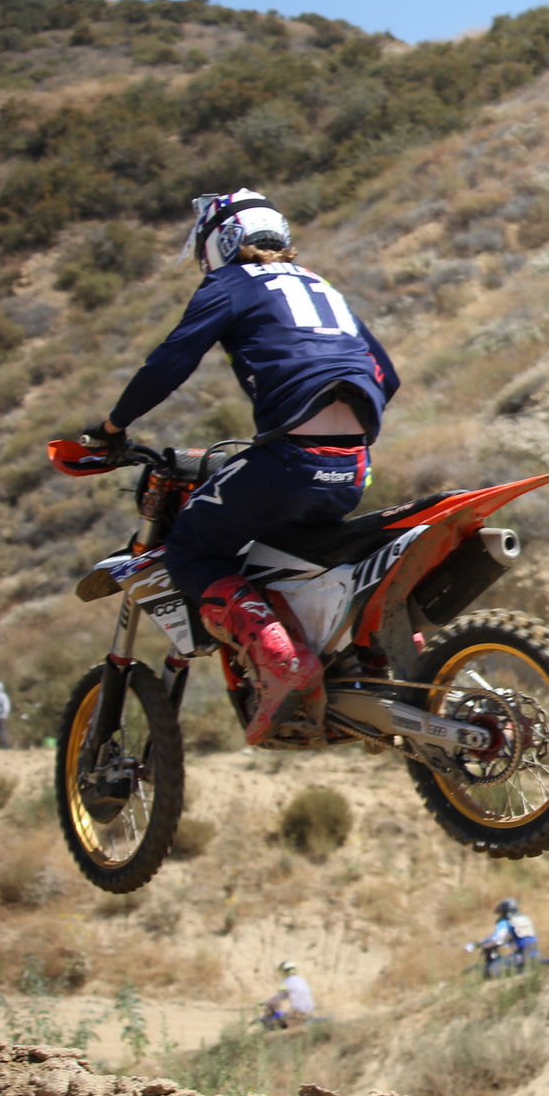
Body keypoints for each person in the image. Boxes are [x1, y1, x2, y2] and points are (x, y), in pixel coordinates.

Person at [81, 190, 400, 746]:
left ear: (219, 243)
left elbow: (172, 360)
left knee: (190, 549)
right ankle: (347, 661)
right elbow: (386, 375)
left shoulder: (231, 282)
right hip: (352, 468)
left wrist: (112, 428)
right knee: (286, 555)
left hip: (289, 460)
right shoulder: (321, 285)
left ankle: (280, 661)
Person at [470, 898, 539, 977]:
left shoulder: (506, 921)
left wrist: (479, 944)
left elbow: (497, 938)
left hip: (520, 956)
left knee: (491, 968)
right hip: (535, 955)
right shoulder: (525, 919)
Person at [260, 960, 315, 1029]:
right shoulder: (301, 980)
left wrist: (268, 1002)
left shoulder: (287, 981)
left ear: (284, 971)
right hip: (309, 1011)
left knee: (277, 1022)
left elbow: (280, 996)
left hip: (298, 1012)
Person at [0, 679, 9, 749]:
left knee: (1, 732)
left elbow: (6, 707)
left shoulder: (3, 696)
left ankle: (5, 746)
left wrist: (2, 716)